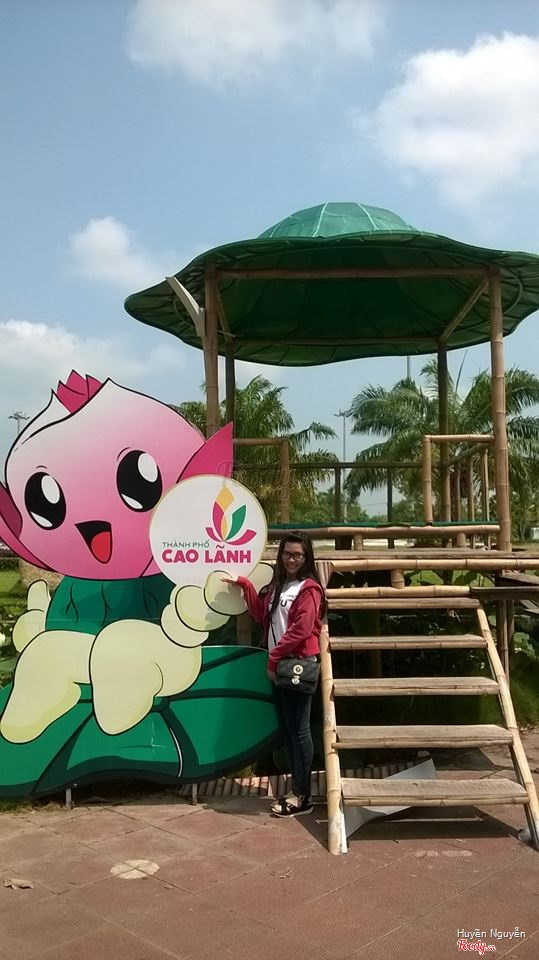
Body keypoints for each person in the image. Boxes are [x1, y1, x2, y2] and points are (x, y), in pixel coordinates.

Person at [224, 531, 324, 817]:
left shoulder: (309, 589)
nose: (291, 559)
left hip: (296, 665)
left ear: (307, 557)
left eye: (298, 555)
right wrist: (245, 585)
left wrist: (274, 657)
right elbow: (262, 616)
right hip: (280, 667)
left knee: (299, 732)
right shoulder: (279, 586)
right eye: (287, 554)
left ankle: (302, 796)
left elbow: (302, 629)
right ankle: (298, 791)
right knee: (289, 732)